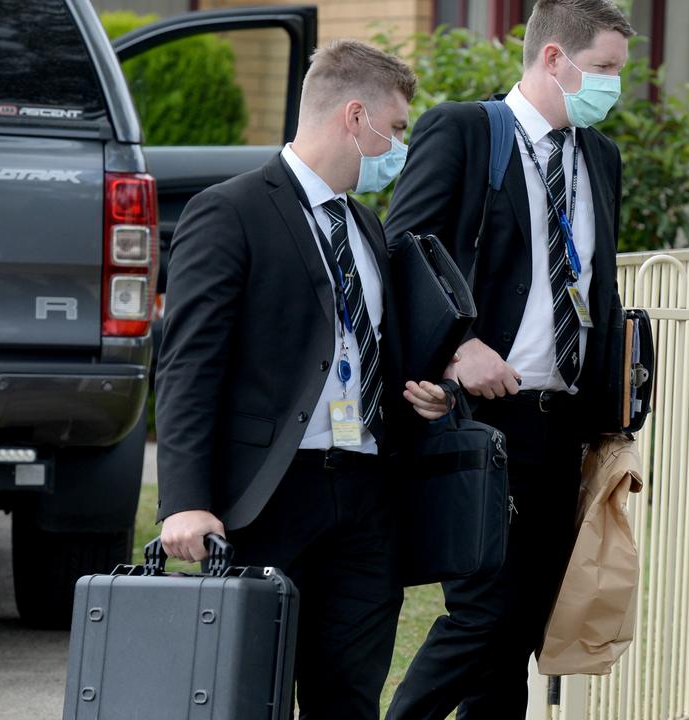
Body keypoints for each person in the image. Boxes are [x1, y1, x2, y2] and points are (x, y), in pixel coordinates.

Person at [153, 39, 450, 720]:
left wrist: (422, 396)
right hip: (269, 499)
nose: (400, 145)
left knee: (349, 696)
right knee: (249, 694)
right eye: (397, 128)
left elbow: (367, 346)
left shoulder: (367, 226)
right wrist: (184, 501)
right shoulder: (230, 212)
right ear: (355, 116)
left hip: (367, 496)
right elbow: (188, 367)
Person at [381, 1, 634, 717]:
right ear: (554, 59)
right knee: (484, 614)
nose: (614, 85)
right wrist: (455, 349)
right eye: (606, 68)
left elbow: (596, 289)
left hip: (561, 428)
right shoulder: (466, 132)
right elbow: (402, 252)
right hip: (482, 422)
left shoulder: (598, 158)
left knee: (521, 628)